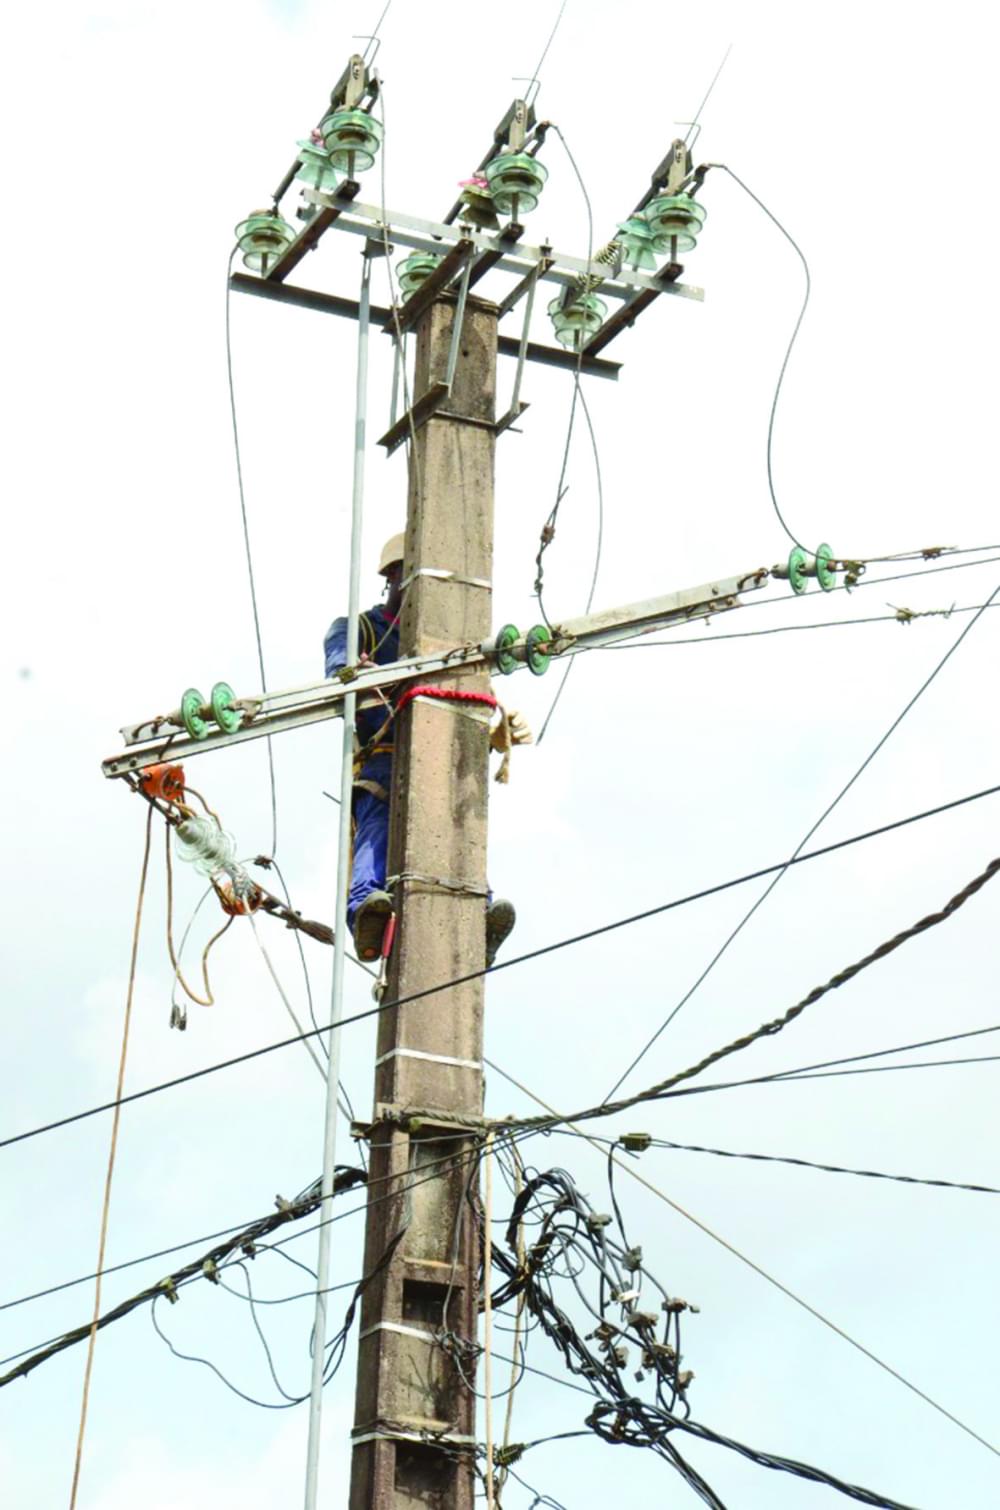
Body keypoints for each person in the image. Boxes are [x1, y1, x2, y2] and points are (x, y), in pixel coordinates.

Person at [324, 533, 517, 965]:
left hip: (441, 757)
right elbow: (339, 678)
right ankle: (366, 911)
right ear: (393, 577)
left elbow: (469, 693)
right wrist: (358, 673)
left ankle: (477, 917)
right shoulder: (361, 629)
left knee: (457, 827)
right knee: (379, 820)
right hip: (383, 755)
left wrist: (497, 725)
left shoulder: (447, 641)